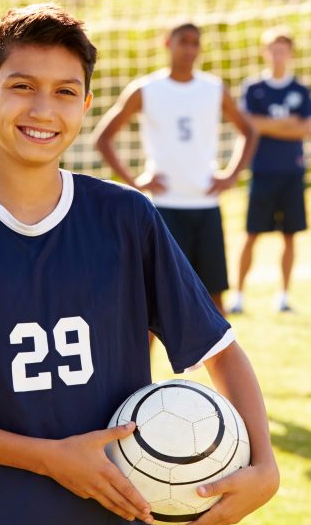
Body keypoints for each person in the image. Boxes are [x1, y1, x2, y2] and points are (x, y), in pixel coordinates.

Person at [0, 5, 279, 525]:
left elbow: (219, 350)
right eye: (21, 86)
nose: (42, 108)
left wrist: (265, 463)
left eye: (64, 91)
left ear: (85, 106)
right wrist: (49, 459)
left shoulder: (125, 217)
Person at [92, 22, 257, 314]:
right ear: (167, 43)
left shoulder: (213, 88)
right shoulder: (146, 89)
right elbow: (103, 138)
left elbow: (249, 131)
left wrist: (231, 175)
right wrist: (135, 181)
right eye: (184, 41)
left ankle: (214, 362)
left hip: (206, 205)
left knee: (214, 302)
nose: (190, 49)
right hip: (164, 208)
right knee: (155, 303)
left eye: (196, 43)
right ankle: (142, 362)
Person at [228, 27, 311, 315]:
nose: (278, 55)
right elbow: (249, 124)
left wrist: (269, 125)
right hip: (262, 171)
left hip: (291, 173)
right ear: (265, 53)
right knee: (251, 234)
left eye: (283, 49)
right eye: (273, 49)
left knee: (290, 235)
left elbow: (307, 128)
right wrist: (286, 124)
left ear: (290, 53)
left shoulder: (300, 90)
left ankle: (283, 296)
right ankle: (239, 295)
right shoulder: (254, 88)